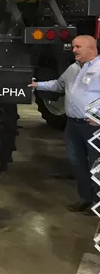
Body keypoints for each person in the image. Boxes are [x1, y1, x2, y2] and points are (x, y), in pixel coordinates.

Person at [29, 35, 100, 215]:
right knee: (78, 163)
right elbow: (58, 85)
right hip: (73, 127)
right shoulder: (72, 69)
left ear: (92, 48)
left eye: (78, 47)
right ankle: (85, 199)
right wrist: (38, 85)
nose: (73, 50)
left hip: (93, 127)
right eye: (73, 46)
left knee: (96, 165)